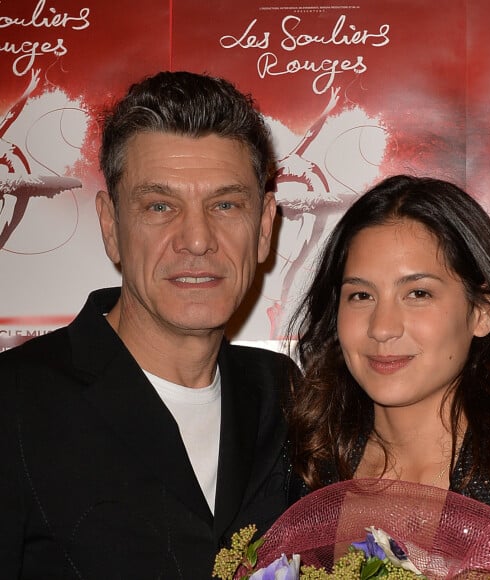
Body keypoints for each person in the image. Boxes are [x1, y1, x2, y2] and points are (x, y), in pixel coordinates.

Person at [0, 71, 295, 579]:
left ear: (265, 226)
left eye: (225, 205)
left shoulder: (284, 396)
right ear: (111, 227)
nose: (197, 240)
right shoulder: (13, 404)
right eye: (160, 206)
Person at [287, 174, 490, 570]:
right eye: (361, 295)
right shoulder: (302, 469)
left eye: (418, 293)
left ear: (481, 312)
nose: (382, 327)